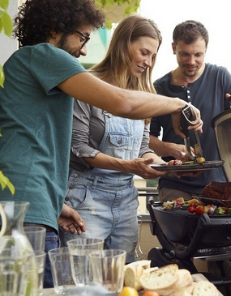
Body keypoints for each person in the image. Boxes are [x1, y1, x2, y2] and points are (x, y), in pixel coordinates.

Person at [0, 0, 202, 288]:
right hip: (25, 209)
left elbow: (25, 142)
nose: (84, 49)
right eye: (82, 37)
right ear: (54, 29)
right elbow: (122, 102)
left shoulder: (26, 65)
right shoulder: (45, 56)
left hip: (30, 204)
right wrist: (178, 103)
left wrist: (53, 203)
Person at [149, 20, 231, 296]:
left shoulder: (221, 76)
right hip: (175, 187)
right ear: (174, 49)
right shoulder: (159, 87)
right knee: (181, 260)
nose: (191, 61)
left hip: (218, 185)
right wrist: (169, 148)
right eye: (185, 54)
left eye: (198, 55)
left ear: (206, 51)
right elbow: (147, 138)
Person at [61, 14, 169, 264]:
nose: (148, 62)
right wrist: (130, 166)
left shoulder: (144, 94)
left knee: (122, 280)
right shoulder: (87, 84)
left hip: (127, 200)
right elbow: (78, 149)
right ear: (123, 44)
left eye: (153, 56)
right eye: (144, 52)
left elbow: (142, 146)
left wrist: (154, 160)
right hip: (86, 198)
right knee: (83, 279)